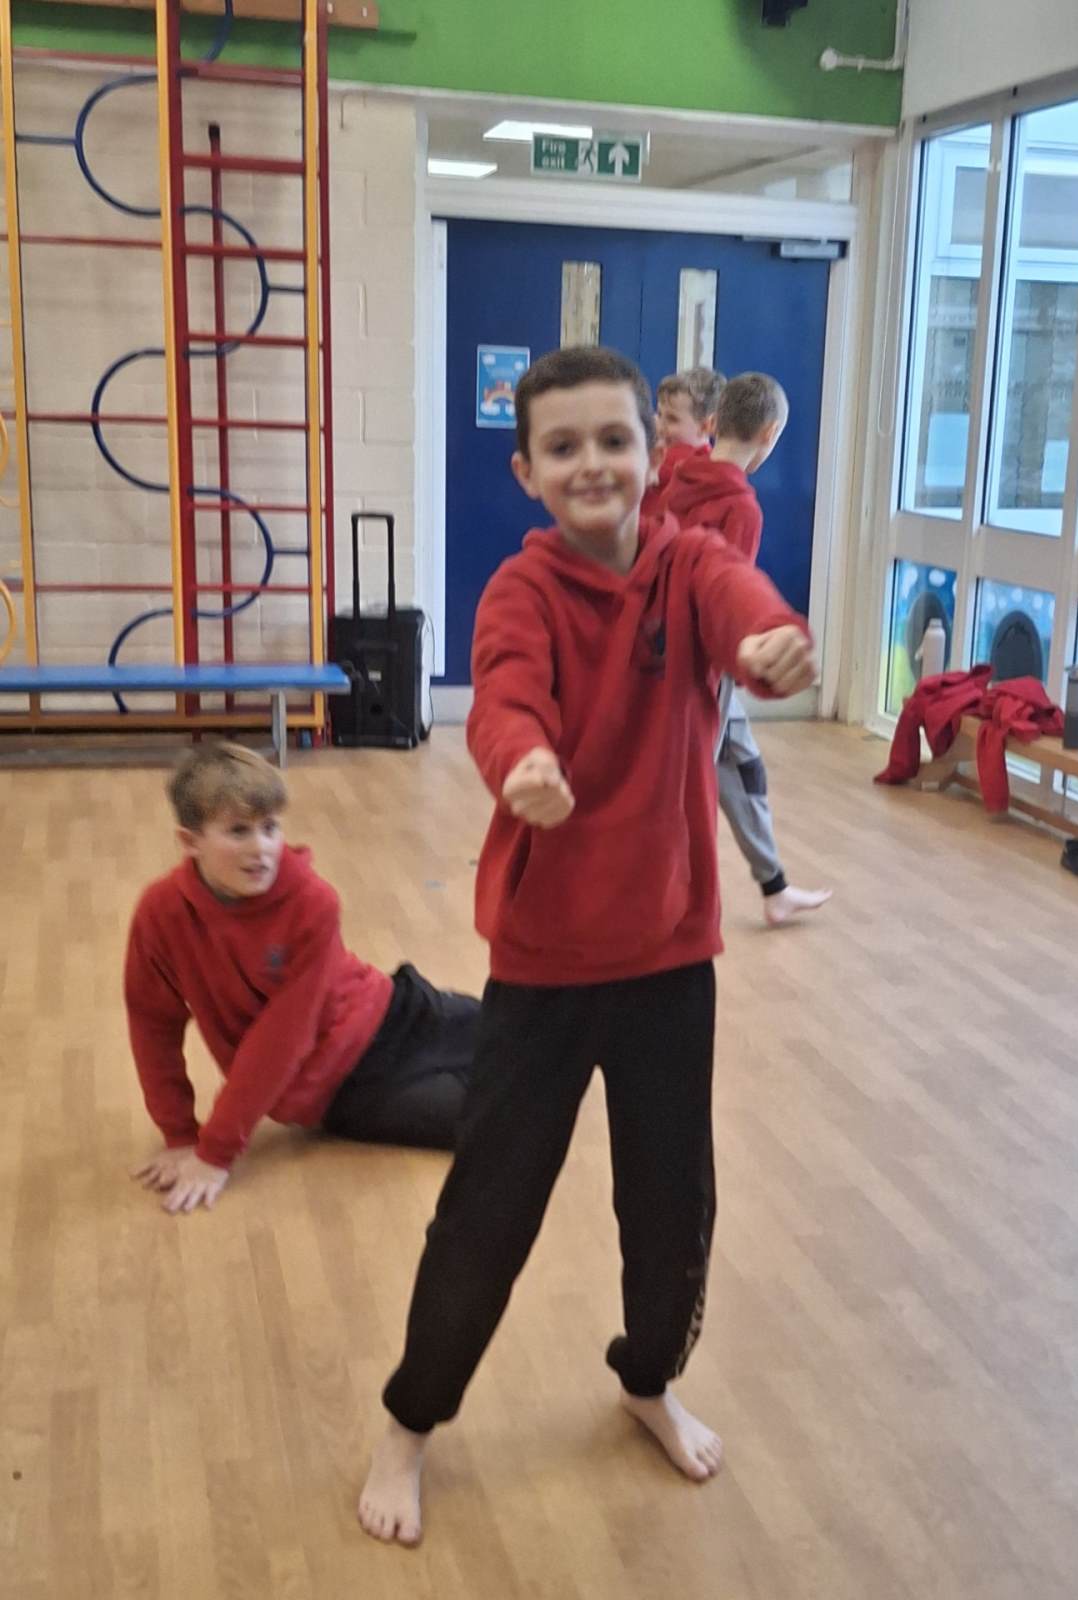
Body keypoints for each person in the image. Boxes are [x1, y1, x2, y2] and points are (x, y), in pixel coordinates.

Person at [357, 346, 817, 1546]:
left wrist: (771, 639)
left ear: (655, 453)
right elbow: (504, 693)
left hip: (669, 955)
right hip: (548, 967)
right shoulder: (523, 590)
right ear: (527, 471)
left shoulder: (688, 562)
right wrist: (521, 757)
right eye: (563, 447)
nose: (593, 464)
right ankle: (410, 1420)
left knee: (673, 1202)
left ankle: (648, 1378)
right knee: (491, 1205)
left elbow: (741, 603)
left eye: (615, 439)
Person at [125, 742, 479, 1214]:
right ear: (190, 842)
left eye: (270, 828)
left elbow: (286, 1032)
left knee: (533, 1029)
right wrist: (183, 1137)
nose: (261, 848)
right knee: (504, 1118)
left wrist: (213, 1149)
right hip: (344, 1089)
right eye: (238, 831)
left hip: (393, 1012)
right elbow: (154, 1024)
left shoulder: (313, 900)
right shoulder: (160, 914)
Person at [665, 372, 832, 926]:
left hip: (684, 662)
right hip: (703, 672)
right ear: (770, 433)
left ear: (713, 423)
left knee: (741, 768)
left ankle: (774, 887)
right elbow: (727, 595)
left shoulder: (679, 478)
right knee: (688, 784)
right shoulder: (741, 508)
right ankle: (665, 901)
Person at [641, 365, 725, 518]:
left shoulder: (675, 461)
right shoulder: (715, 464)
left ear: (707, 425)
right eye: (659, 414)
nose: (659, 425)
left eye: (672, 419)